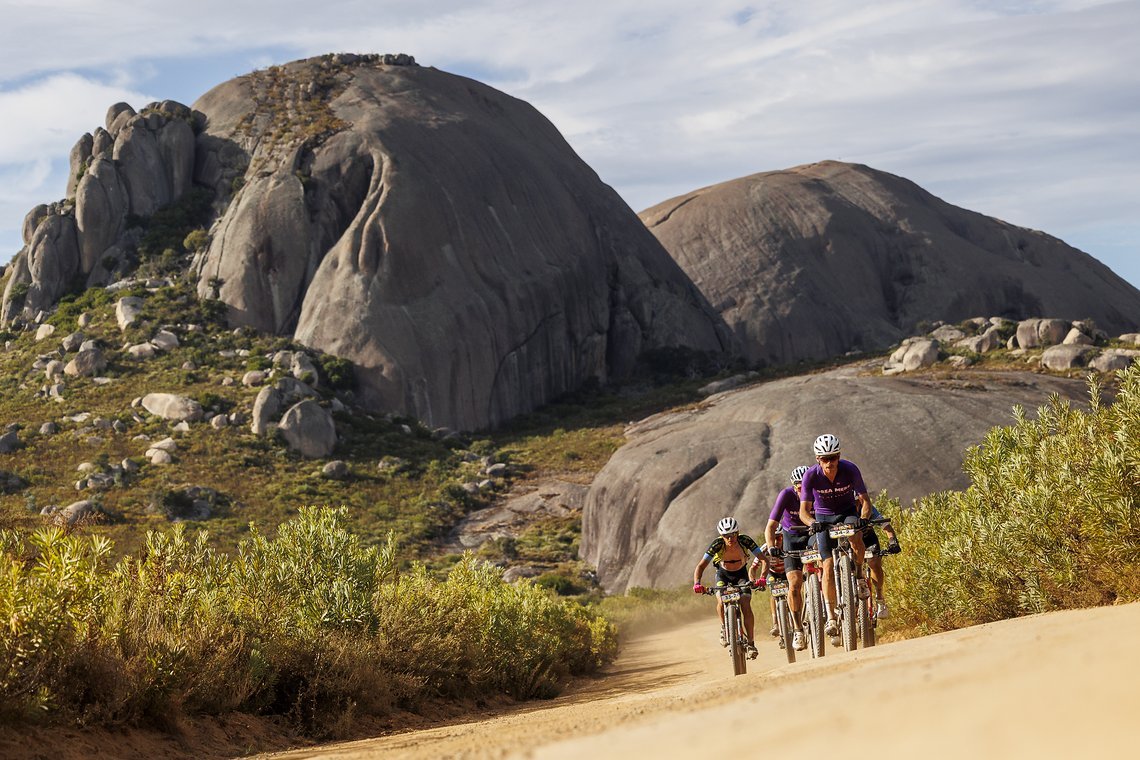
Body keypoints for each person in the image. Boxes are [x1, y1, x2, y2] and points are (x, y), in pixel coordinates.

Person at [798, 434, 874, 639]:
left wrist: (864, 518)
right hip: (823, 517)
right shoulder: (811, 476)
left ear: (839, 455)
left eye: (833, 457)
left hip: (847, 511)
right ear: (817, 459)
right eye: (824, 459)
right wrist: (812, 523)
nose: (830, 463)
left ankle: (858, 576)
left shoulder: (850, 469)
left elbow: (865, 501)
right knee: (828, 565)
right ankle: (831, 616)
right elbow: (803, 511)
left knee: (856, 538)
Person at [693, 517, 766, 659]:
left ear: (737, 533)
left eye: (733, 534)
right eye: (726, 536)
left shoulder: (745, 541)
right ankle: (724, 627)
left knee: (746, 604)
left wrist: (762, 577)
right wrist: (697, 583)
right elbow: (701, 566)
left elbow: (764, 559)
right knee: (720, 600)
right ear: (721, 536)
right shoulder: (717, 544)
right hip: (723, 576)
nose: (730, 538)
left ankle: (751, 643)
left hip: (741, 574)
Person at [763, 465, 811, 651]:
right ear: (794, 486)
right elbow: (770, 526)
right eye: (799, 487)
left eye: (805, 486)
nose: (802, 490)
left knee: (827, 565)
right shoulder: (786, 495)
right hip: (791, 537)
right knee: (794, 584)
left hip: (811, 533)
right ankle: (798, 629)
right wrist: (773, 546)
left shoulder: (815, 492)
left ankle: (828, 607)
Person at [862, 505, 902, 618]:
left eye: (857, 501)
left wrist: (893, 541)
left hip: (868, 539)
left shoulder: (868, 507)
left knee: (874, 563)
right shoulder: (842, 507)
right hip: (850, 542)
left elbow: (886, 526)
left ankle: (880, 598)